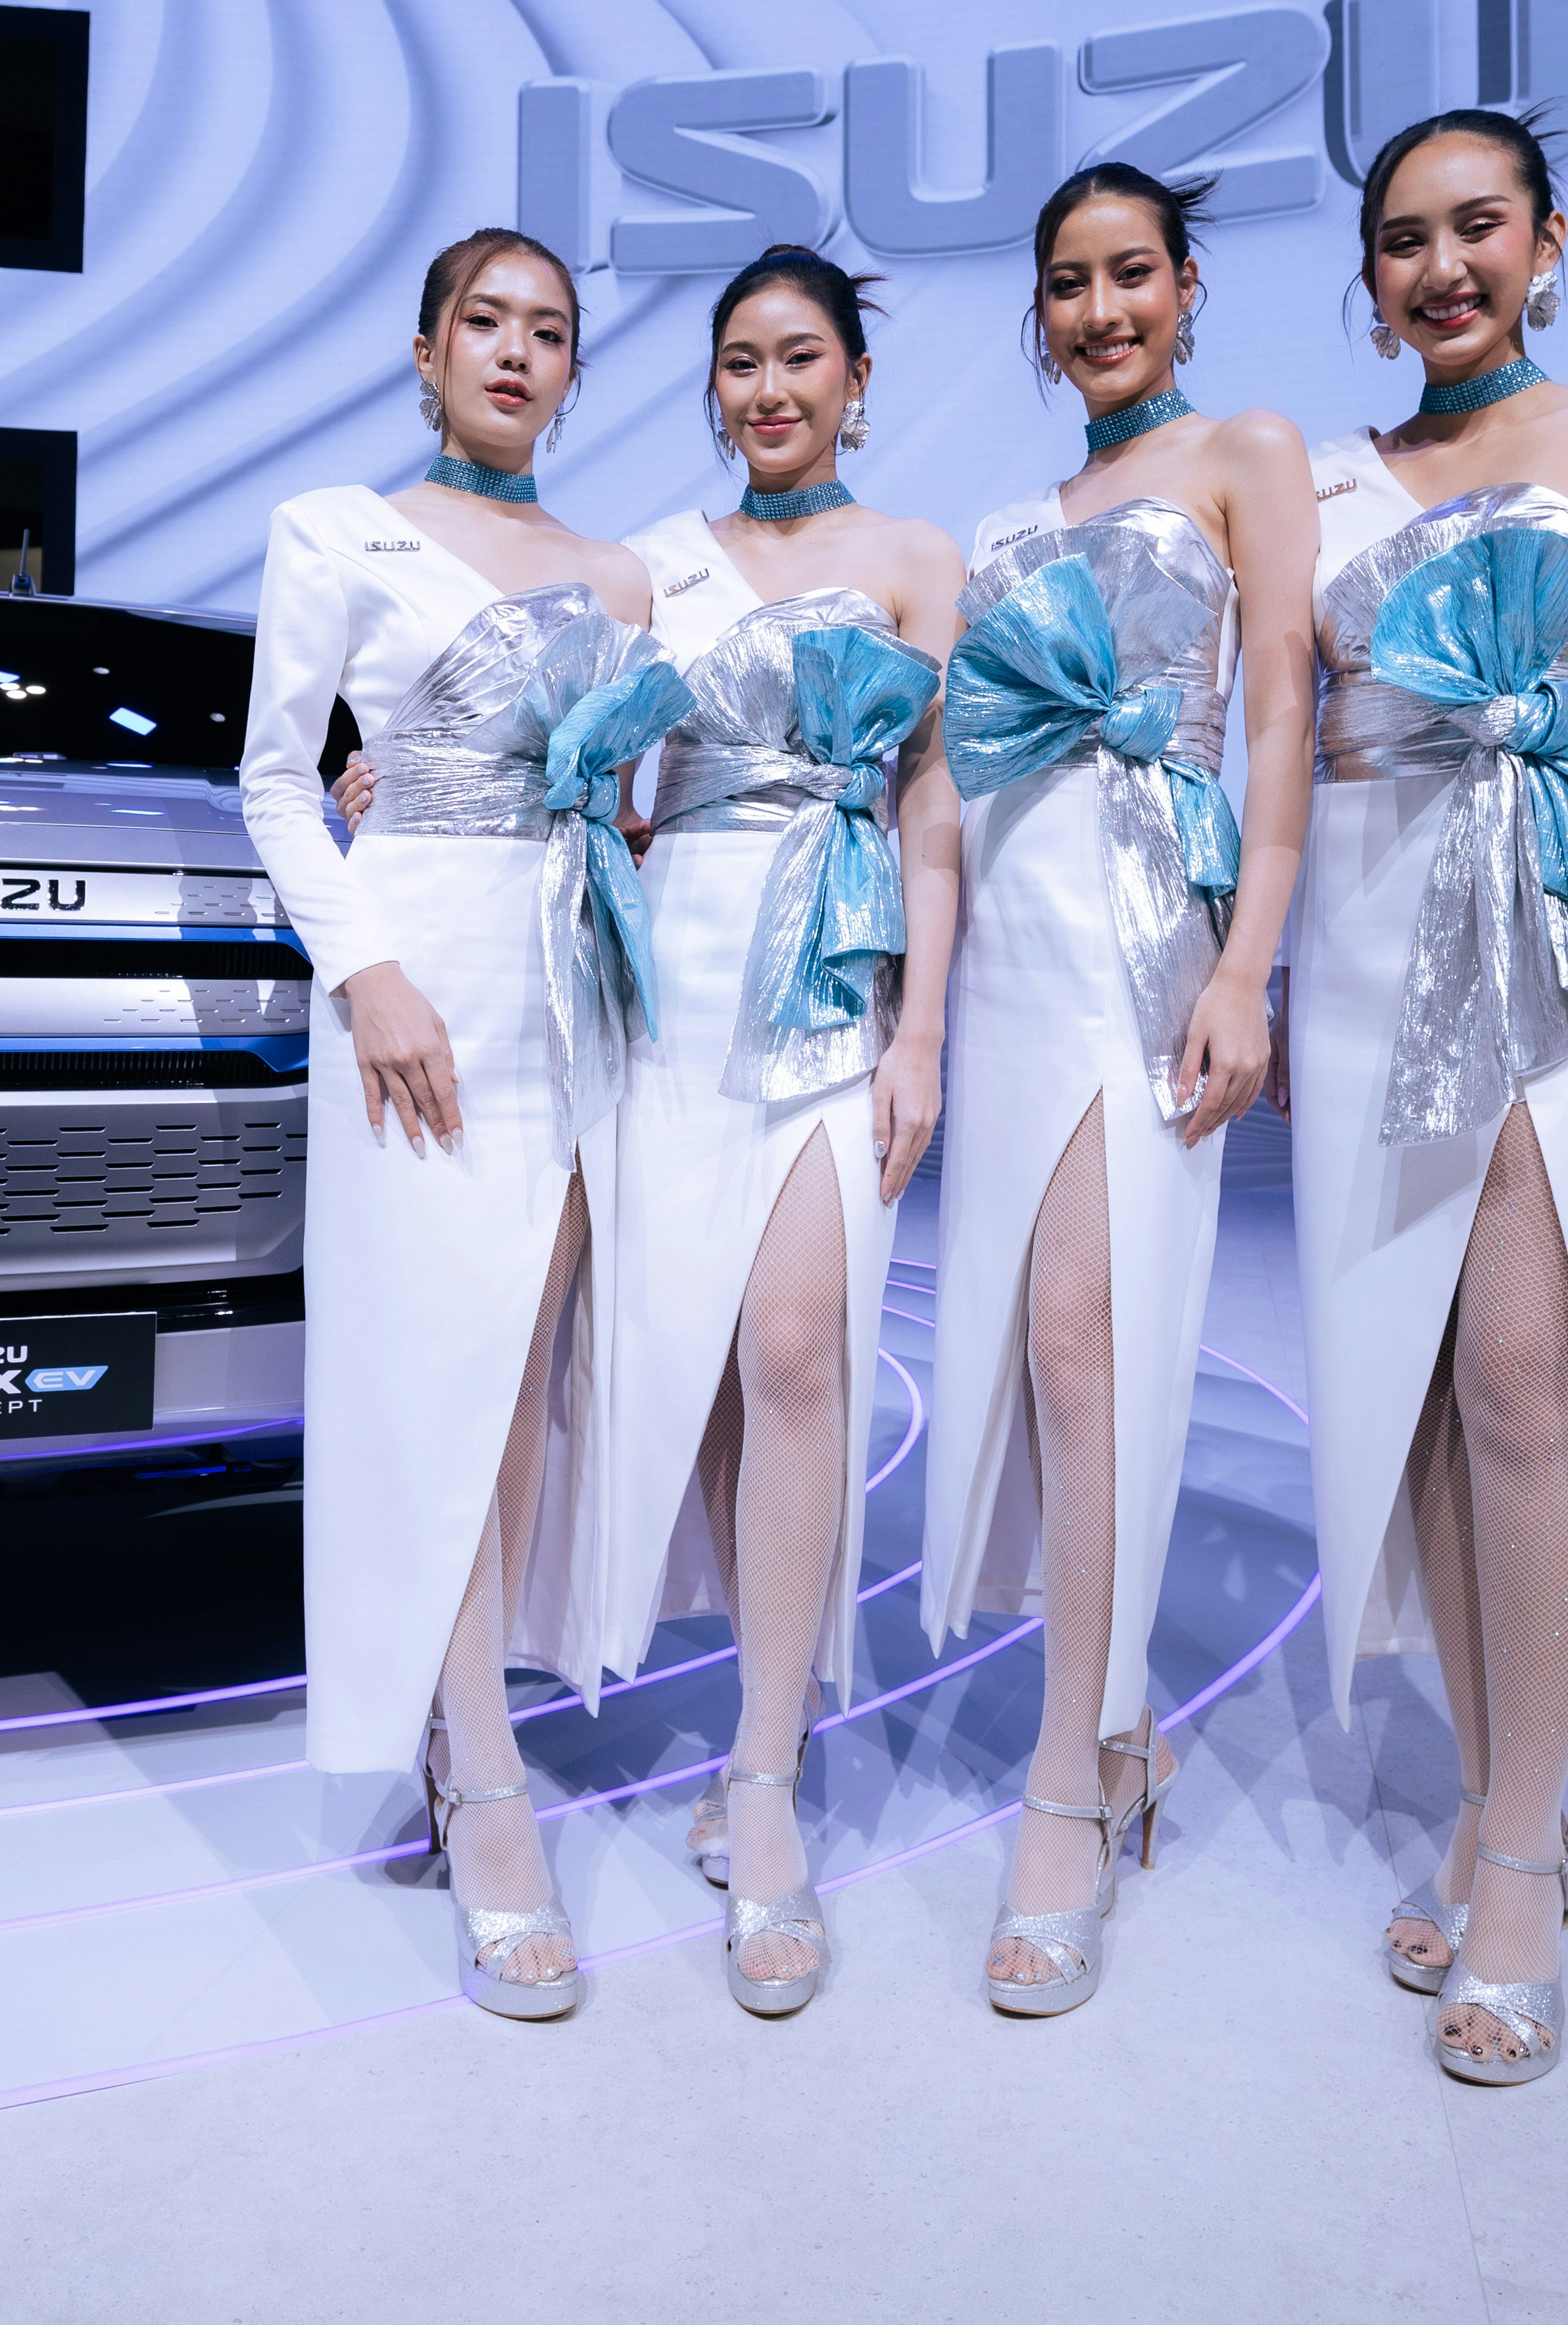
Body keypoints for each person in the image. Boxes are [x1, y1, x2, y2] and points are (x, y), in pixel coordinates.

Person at [353, 246, 968, 2013]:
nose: (769, 389)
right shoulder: (646, 573)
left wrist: (921, 1023)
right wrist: (386, 780)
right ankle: (474, 1733)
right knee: (635, 1369)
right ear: (713, 390)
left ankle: (764, 1780)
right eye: (740, 364)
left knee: (798, 1352)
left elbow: (931, 808)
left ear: (854, 378)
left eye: (801, 359)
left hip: (831, 985)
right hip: (652, 986)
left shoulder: (920, 562)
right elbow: (569, 768)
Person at [1284, 109, 1568, 2088]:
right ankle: (1481, 1800)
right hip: (1363, 943)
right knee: (1413, 1409)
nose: (1439, 266)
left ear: (1545, 242)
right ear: (1366, 276)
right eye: (1401, 240)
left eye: (1477, 228)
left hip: (1560, 932)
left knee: (1527, 1384)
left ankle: (1525, 1857)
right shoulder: (1309, 485)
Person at [237, 227, 683, 2020]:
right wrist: (370, 971)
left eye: (549, 331)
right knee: (430, 1368)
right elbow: (275, 780)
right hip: (418, 993)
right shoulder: (333, 529)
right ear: (426, 353)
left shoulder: (618, 577)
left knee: (516, 1383)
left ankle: (468, 1702)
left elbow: (622, 809)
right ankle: (482, 1778)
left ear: (574, 371)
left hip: (572, 986)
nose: (515, 350)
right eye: (484, 322)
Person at [927, 163, 1317, 2013]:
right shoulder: (1005, 522)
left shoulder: (1247, 456)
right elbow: (918, 751)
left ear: (1186, 288)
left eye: (1132, 274)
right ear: (1041, 309)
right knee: (1040, 1351)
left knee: (1091, 1342)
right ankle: (1128, 1717)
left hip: (1154, 932)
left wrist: (1253, 965)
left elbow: (1289, 722)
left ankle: (1068, 1786)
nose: (1101, 311)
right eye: (1069, 283)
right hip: (1011, 940)